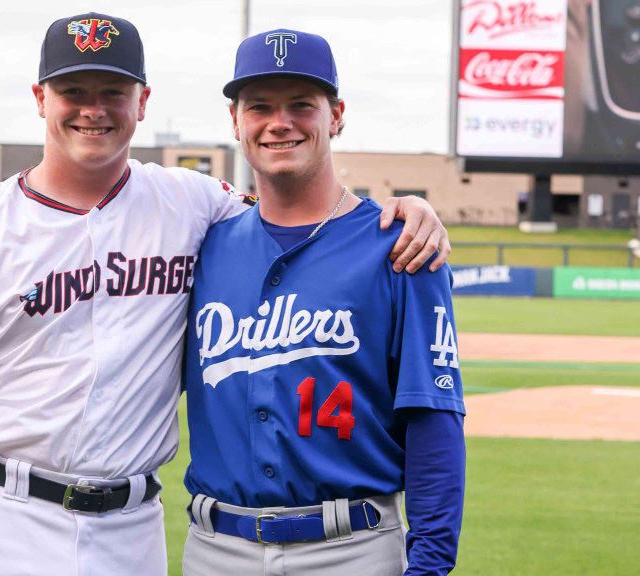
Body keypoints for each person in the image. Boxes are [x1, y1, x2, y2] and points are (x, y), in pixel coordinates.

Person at [0, 13, 450, 576]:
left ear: (142, 102)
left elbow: (297, 213)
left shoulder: (192, 203)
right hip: (5, 513)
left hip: (132, 527)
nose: (94, 109)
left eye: (114, 91)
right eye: (73, 91)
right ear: (41, 98)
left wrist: (411, 212)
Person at [181, 30, 465, 575]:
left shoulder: (401, 245)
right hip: (215, 548)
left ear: (336, 115)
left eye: (301, 105)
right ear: (235, 121)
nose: (279, 122)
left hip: (352, 549)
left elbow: (434, 418)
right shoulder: (204, 245)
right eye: (259, 106)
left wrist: (429, 564)